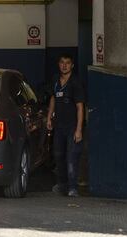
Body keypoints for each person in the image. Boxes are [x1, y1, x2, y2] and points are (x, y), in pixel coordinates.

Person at [47, 54, 85, 197]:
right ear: (58, 64)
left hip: (72, 127)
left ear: (72, 65)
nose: (64, 65)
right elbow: (53, 98)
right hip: (59, 126)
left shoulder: (75, 83)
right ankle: (62, 185)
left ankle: (73, 187)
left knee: (71, 157)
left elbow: (80, 107)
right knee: (58, 156)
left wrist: (79, 130)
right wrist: (49, 117)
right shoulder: (56, 80)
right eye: (62, 62)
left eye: (68, 63)